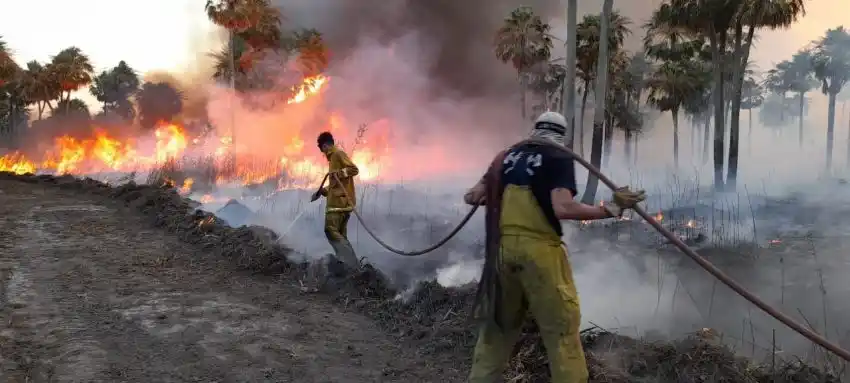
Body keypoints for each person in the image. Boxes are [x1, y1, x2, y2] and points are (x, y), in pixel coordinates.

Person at [463, 111, 646, 383]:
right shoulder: (558, 157)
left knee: (496, 330)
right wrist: (612, 208)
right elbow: (563, 207)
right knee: (561, 332)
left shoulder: (506, 157)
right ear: (562, 135)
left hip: (503, 254)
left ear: (535, 130)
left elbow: (472, 196)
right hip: (540, 255)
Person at [311, 131, 360, 269]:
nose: (323, 153)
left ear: (326, 146)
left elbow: (354, 170)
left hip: (339, 205)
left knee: (330, 230)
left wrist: (338, 173)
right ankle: (349, 264)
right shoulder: (333, 159)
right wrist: (322, 191)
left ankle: (349, 261)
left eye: (323, 150)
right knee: (341, 236)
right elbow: (335, 184)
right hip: (340, 202)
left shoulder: (337, 154)